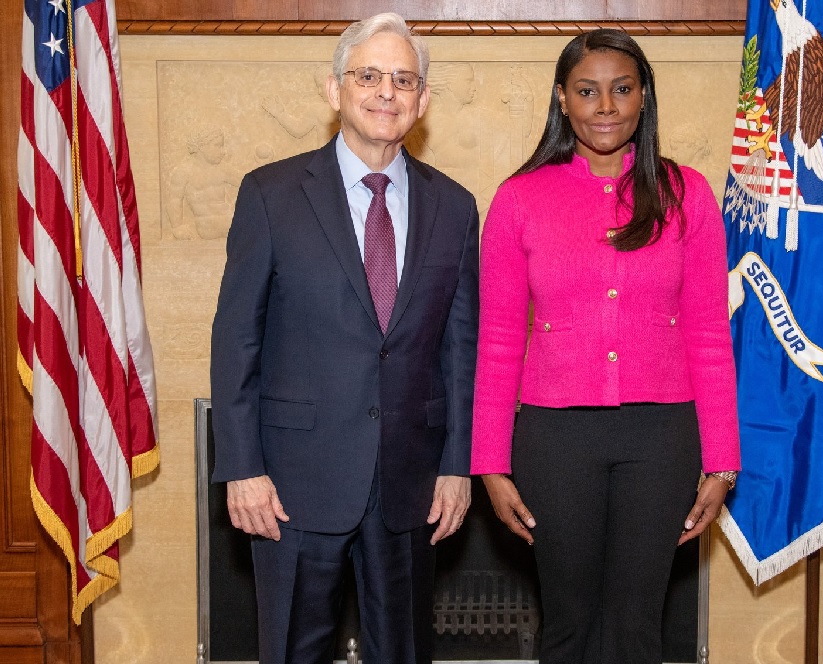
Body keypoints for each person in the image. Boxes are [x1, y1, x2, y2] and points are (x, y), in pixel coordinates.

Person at [210, 13, 479, 664]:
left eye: (403, 79)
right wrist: (242, 467)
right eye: (368, 75)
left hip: (410, 485)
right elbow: (235, 339)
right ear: (335, 90)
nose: (387, 92)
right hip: (293, 486)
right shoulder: (271, 194)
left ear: (423, 101)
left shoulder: (456, 206)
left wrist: (456, 465)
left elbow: (459, 349)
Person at [471, 29, 741, 664]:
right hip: (554, 439)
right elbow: (499, 339)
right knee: (568, 623)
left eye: (621, 89)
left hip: (662, 438)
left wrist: (723, 461)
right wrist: (489, 462)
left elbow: (708, 335)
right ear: (562, 101)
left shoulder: (687, 194)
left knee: (639, 627)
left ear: (643, 97)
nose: (605, 106)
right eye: (587, 91)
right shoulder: (519, 199)